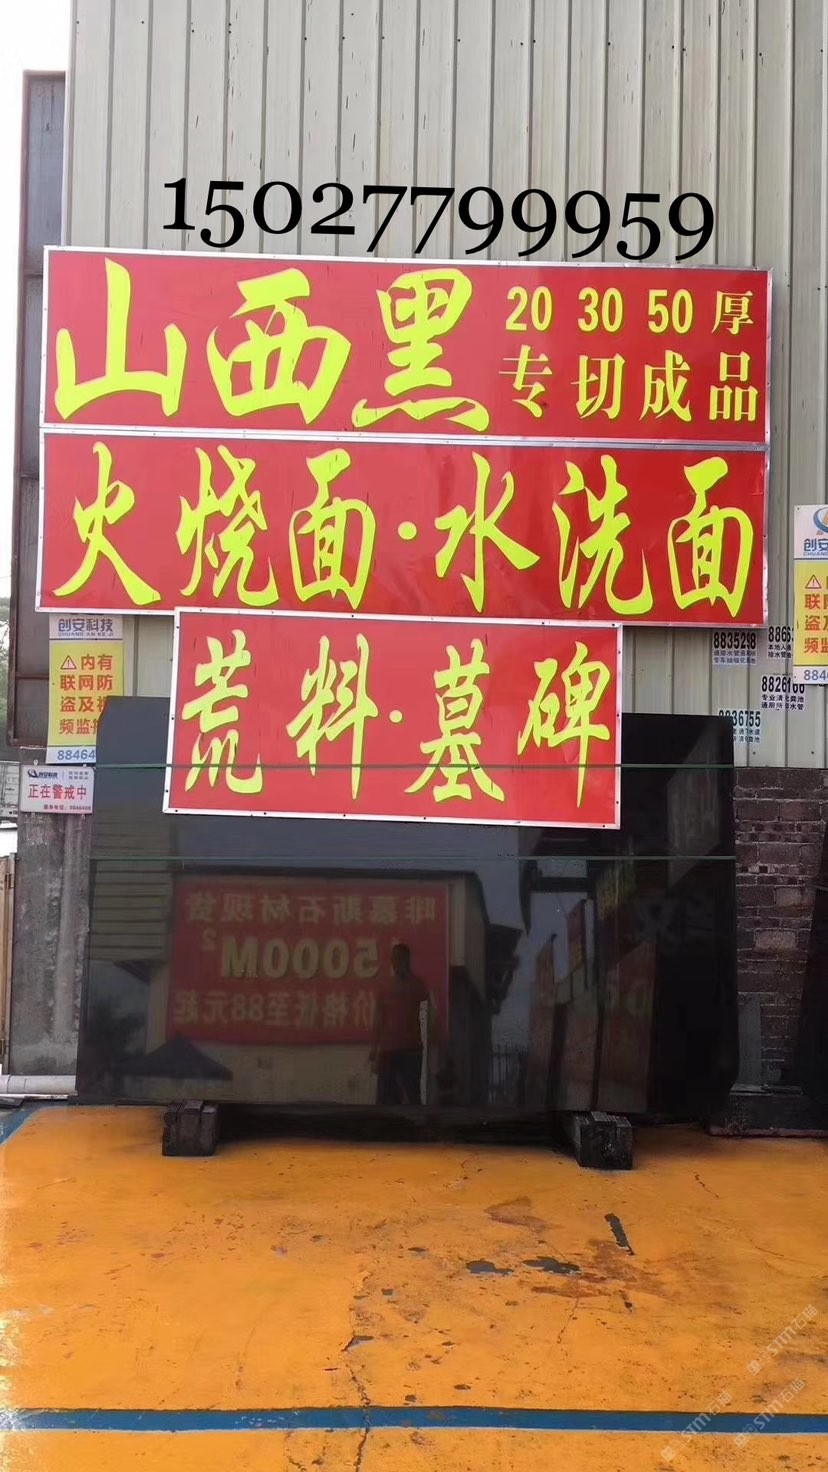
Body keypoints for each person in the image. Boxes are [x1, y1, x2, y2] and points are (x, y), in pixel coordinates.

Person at [369, 942, 439, 1105]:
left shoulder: (419, 986)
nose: (396, 963)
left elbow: (430, 1017)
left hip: (411, 1048)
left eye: (399, 958)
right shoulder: (385, 987)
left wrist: (432, 1046)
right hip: (388, 1049)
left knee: (413, 1094)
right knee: (384, 1097)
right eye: (393, 959)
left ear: (407, 960)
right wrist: (374, 1048)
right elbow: (379, 1019)